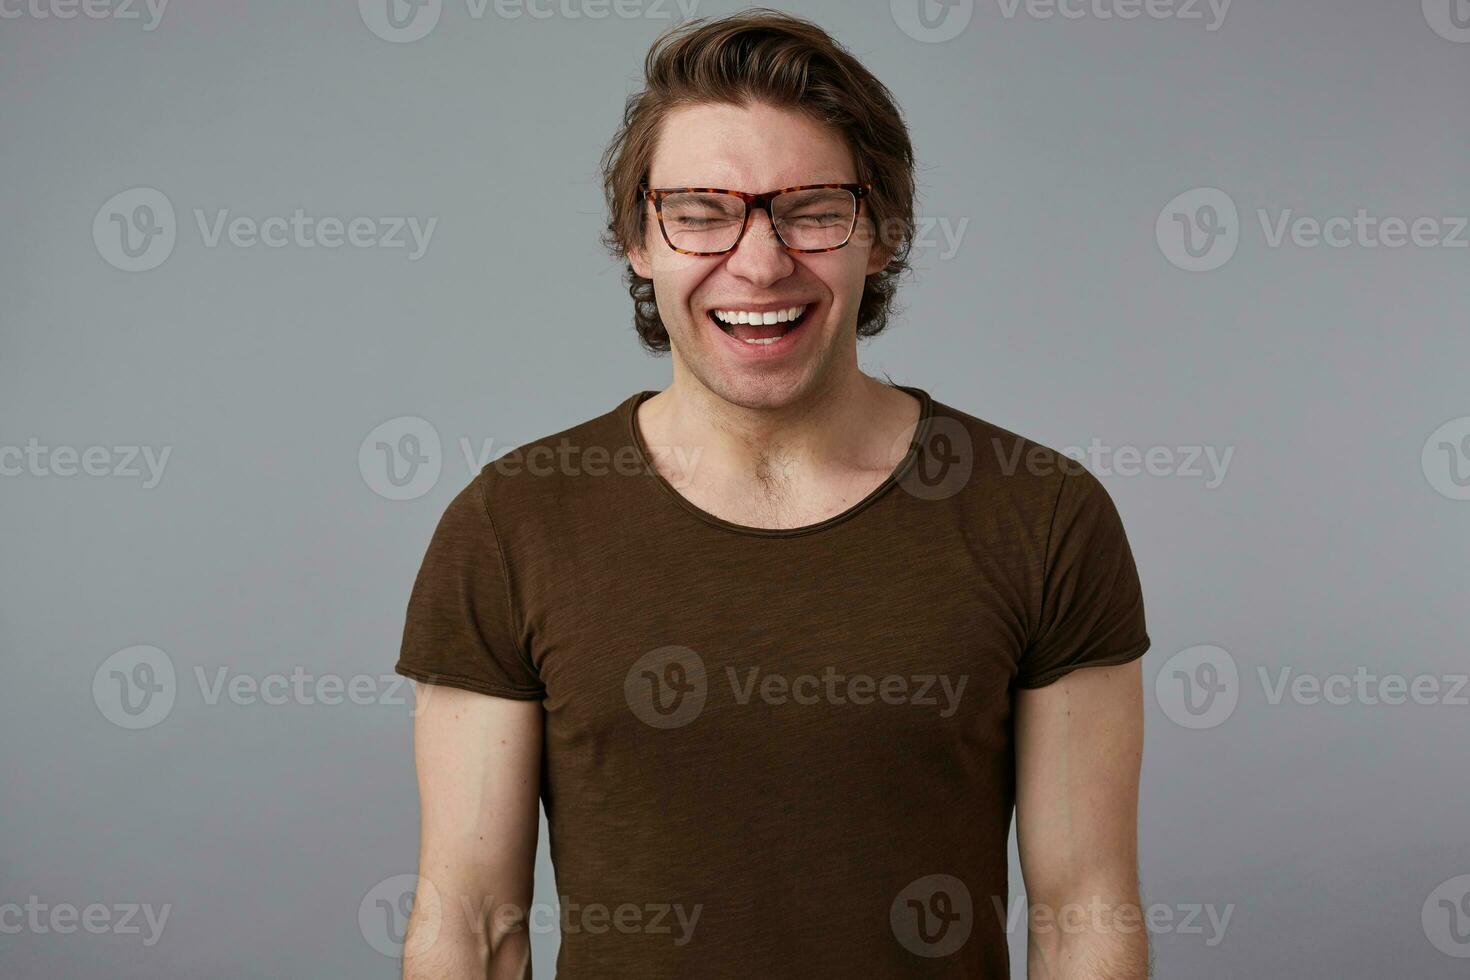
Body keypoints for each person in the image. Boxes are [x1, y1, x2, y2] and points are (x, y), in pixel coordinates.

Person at [394, 9, 1151, 978]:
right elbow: (471, 922)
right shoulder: (511, 523)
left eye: (814, 208)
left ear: (881, 234)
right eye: (701, 210)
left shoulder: (1042, 513)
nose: (759, 261)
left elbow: (1084, 913)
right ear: (639, 238)